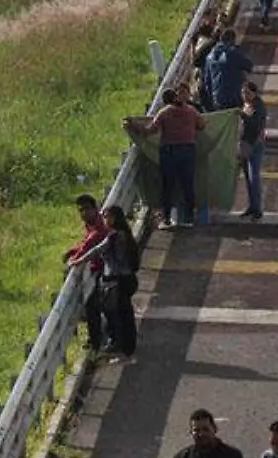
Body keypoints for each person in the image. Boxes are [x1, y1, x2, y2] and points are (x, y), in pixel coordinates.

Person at [128, 88, 207, 230]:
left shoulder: (164, 113)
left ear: (165, 101)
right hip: (188, 150)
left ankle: (167, 219)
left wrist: (133, 125)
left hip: (169, 152)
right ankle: (188, 218)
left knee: (168, 186)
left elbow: (150, 130)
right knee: (187, 185)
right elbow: (202, 125)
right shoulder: (191, 111)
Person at [80, 204, 140, 357]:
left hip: (118, 280)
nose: (105, 219)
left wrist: (78, 260)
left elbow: (98, 250)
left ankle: (122, 346)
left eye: (107, 216)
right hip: (126, 279)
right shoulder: (124, 234)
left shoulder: (115, 236)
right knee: (124, 313)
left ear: (114, 218)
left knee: (118, 314)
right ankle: (127, 345)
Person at [62, 194, 112, 351]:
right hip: (97, 271)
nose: (83, 214)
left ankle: (98, 342)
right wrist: (73, 251)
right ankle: (97, 340)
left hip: (104, 273)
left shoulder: (99, 229)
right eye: (81, 210)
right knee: (95, 308)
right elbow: (85, 244)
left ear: (95, 209)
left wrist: (74, 259)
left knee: (95, 307)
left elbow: (88, 246)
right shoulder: (93, 225)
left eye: (86, 209)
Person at [236, 82, 267, 221]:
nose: (244, 96)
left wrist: (243, 116)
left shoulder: (258, 106)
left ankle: (257, 208)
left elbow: (255, 124)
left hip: (254, 144)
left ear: (254, 93)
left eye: (247, 93)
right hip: (245, 144)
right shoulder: (247, 105)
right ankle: (252, 206)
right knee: (248, 178)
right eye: (243, 93)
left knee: (254, 177)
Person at [204, 29, 254, 111]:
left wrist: (213, 97)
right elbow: (249, 66)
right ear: (233, 40)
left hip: (218, 98)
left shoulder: (209, 57)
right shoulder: (233, 53)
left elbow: (207, 81)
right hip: (234, 97)